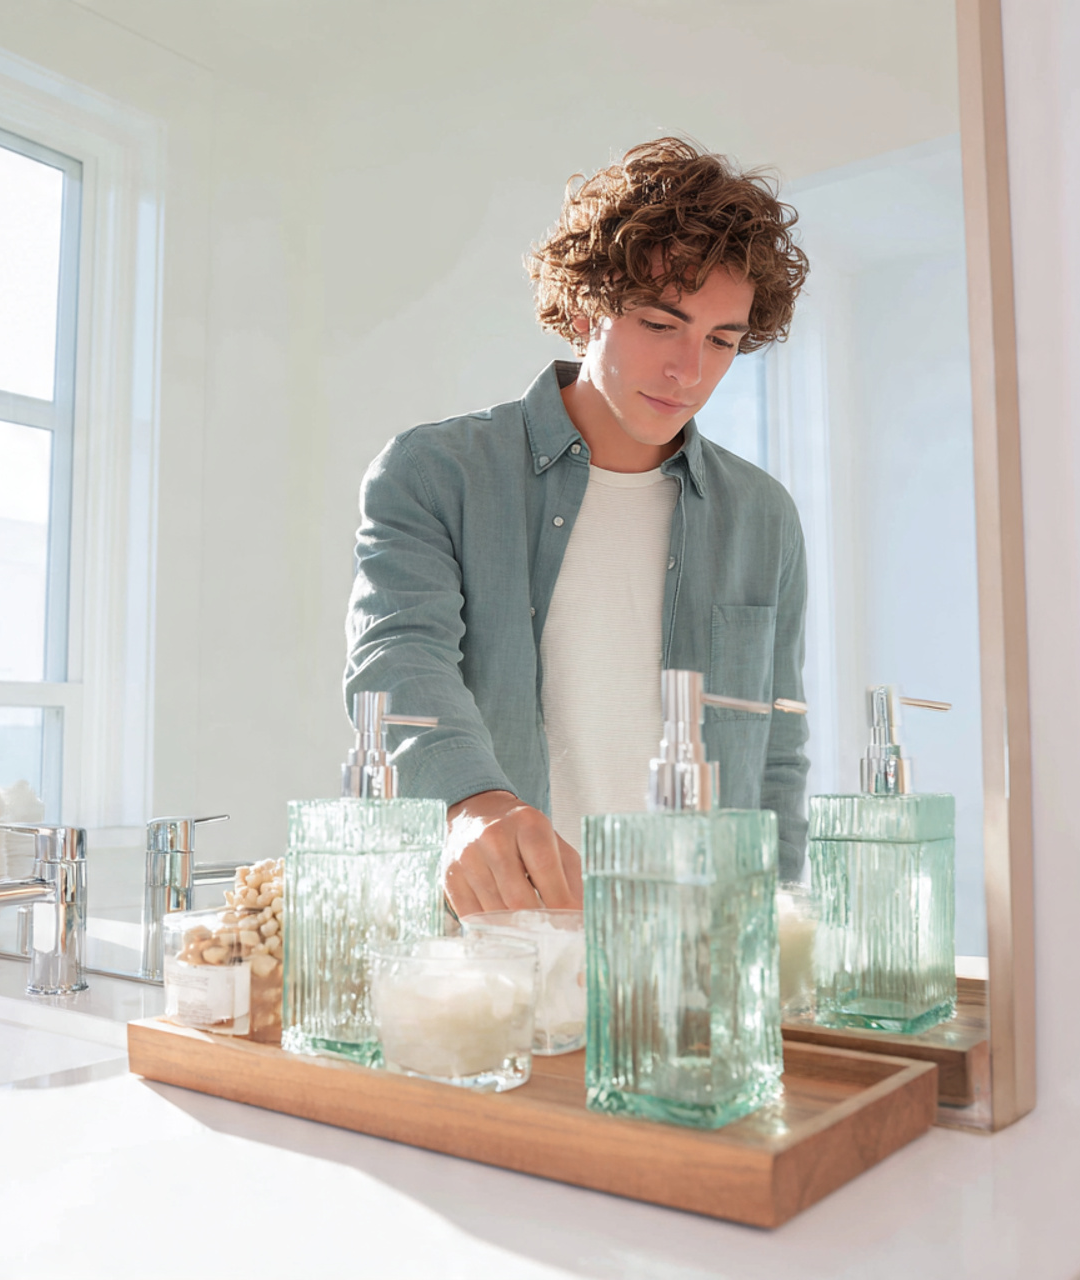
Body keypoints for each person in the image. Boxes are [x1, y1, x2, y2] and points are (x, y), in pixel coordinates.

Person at [345, 137, 810, 916]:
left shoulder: (764, 517)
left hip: (690, 955)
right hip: (494, 947)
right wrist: (472, 801)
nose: (690, 369)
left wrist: (778, 933)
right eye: (662, 324)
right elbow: (398, 658)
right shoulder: (435, 473)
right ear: (591, 302)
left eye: (722, 340)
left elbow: (778, 759)